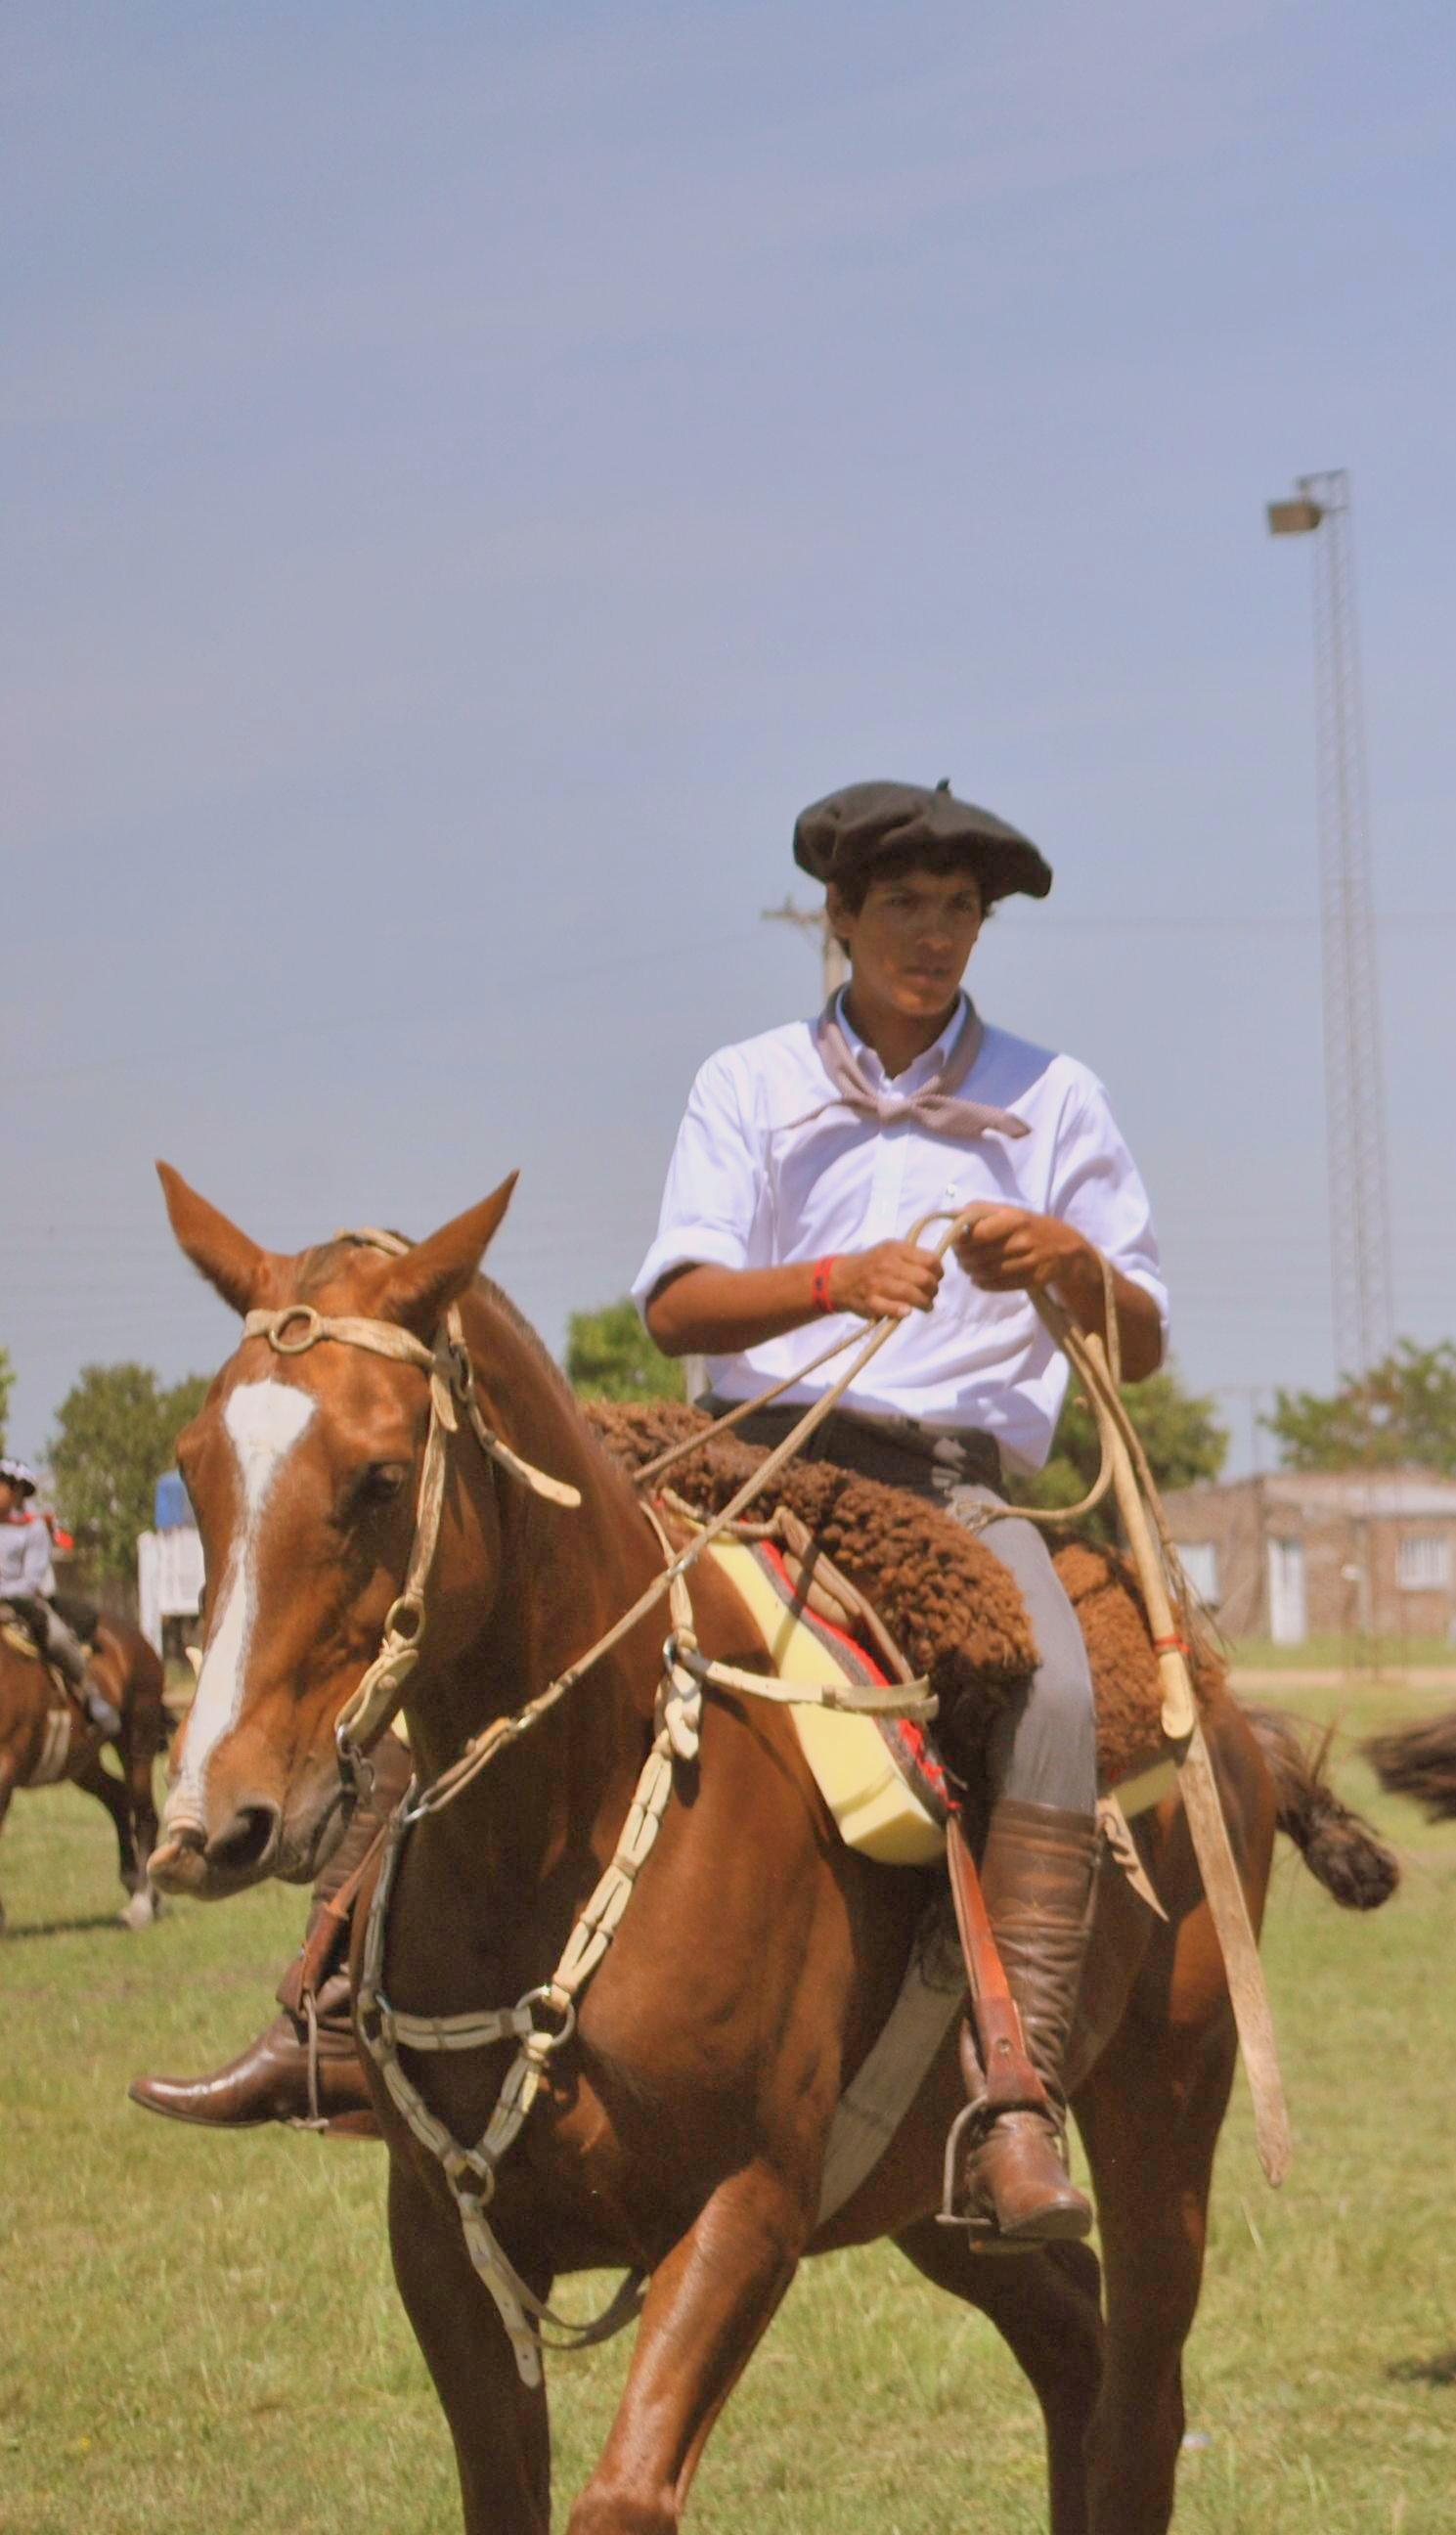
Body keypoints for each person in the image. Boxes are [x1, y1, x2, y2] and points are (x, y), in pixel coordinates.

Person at [631, 778, 1167, 2244]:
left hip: (943, 1495)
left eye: (960, 914)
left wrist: (1065, 1259)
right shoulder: (747, 1083)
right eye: (904, 910)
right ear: (841, 920)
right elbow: (679, 1299)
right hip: (750, 1465)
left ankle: (1013, 2099)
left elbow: (1140, 1342)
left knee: (1054, 1689)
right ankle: (340, 1999)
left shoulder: (1054, 1098)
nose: (933, 939)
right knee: (532, 1584)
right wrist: (834, 1281)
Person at [0, 1455, 121, 1737]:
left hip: (23, 1608)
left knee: (58, 1638)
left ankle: (92, 1697)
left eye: (1, 1484)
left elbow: (30, 1582)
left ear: (17, 1491)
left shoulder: (34, 1529)